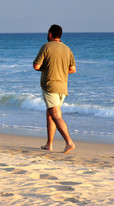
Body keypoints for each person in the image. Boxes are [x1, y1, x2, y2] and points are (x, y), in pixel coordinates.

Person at [33, 24, 76, 153]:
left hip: (50, 85)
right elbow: (72, 69)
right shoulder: (67, 49)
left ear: (50, 34)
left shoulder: (46, 47)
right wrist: (59, 71)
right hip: (63, 87)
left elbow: (36, 66)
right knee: (50, 114)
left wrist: (48, 70)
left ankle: (69, 142)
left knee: (56, 115)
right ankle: (49, 144)